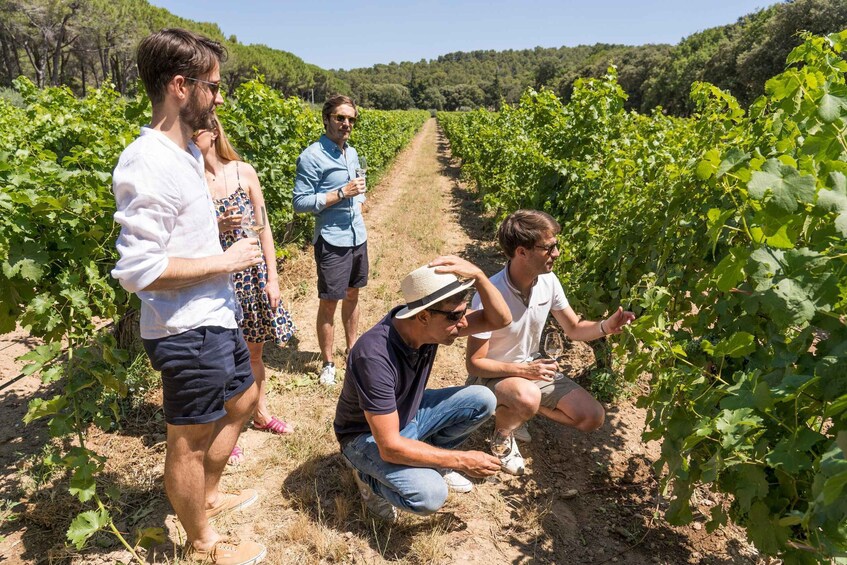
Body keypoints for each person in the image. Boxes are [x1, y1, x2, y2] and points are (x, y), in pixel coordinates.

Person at [111, 29, 266, 564]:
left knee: (244, 401)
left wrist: (213, 223)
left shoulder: (181, 156)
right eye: (214, 86)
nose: (220, 98)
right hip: (187, 329)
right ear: (181, 86)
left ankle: (205, 497)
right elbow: (139, 269)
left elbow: (172, 232)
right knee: (189, 441)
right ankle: (204, 544)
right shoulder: (147, 159)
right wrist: (226, 260)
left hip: (215, 316)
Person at [333, 256, 512, 522]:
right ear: (424, 315)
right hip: (365, 436)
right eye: (456, 316)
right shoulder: (374, 356)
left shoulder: (430, 327)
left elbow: (500, 320)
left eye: (464, 312)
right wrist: (460, 460)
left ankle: (427, 457)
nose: (463, 323)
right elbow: (390, 445)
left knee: (483, 399)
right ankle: (368, 478)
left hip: (408, 412)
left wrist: (480, 275)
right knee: (429, 495)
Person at [465, 210, 635, 476]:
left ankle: (518, 410)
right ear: (522, 252)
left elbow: (575, 328)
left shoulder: (549, 281)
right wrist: (523, 372)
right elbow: (475, 364)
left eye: (556, 245)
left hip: (532, 372)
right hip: (491, 377)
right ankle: (503, 432)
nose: (556, 253)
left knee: (592, 417)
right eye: (549, 247)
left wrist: (605, 327)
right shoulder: (491, 295)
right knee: (527, 397)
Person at [193, 115, 297, 466]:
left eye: (202, 130)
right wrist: (215, 224)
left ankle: (260, 412)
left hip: (252, 276)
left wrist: (273, 277)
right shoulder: (192, 181)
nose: (197, 138)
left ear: (215, 131)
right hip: (218, 279)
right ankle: (226, 431)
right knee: (224, 362)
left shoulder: (243, 172)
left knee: (254, 354)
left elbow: (263, 228)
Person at [292, 95, 367, 385]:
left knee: (353, 295)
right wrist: (341, 194)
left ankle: (352, 352)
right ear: (326, 119)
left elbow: (358, 187)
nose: (346, 123)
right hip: (332, 240)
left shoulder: (352, 152)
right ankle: (328, 364)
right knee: (329, 302)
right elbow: (299, 202)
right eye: (340, 117)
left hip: (357, 235)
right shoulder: (312, 156)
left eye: (350, 119)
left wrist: (360, 198)